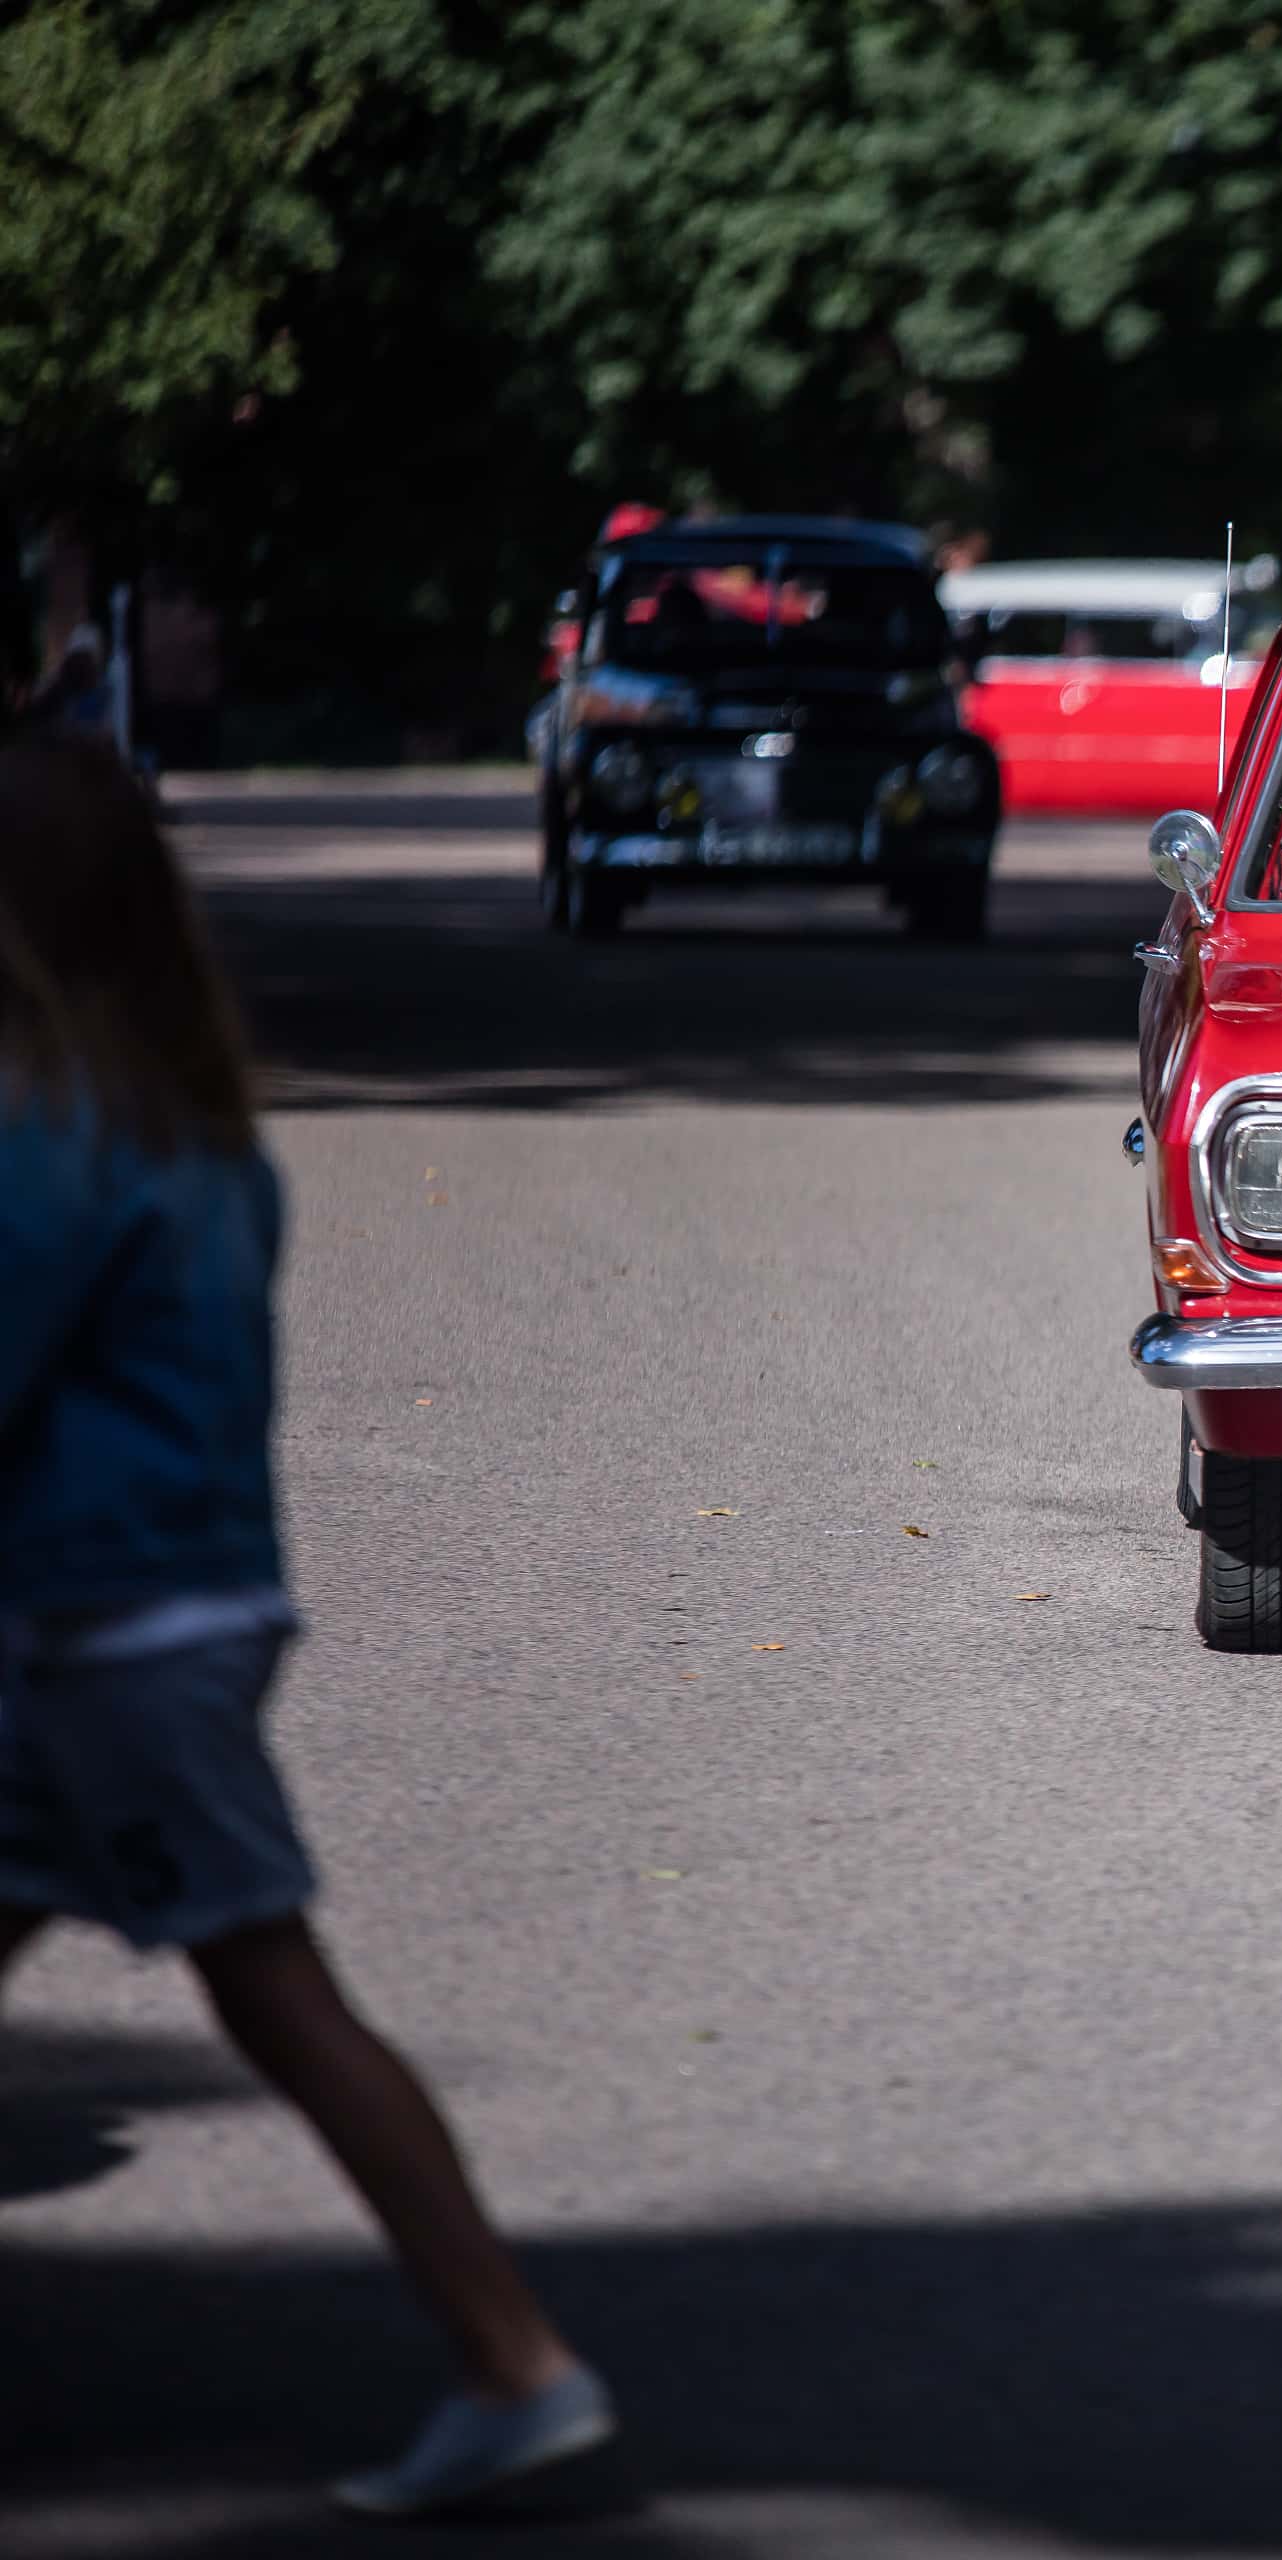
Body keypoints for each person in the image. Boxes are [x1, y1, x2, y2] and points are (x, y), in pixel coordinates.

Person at [0, 734, 615, 2520]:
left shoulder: (53, 1138)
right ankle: (513, 2366)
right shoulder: (194, 1130)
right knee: (273, 1990)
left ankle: (516, 2361)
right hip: (155, 1621)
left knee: (282, 1996)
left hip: (100, 1640)